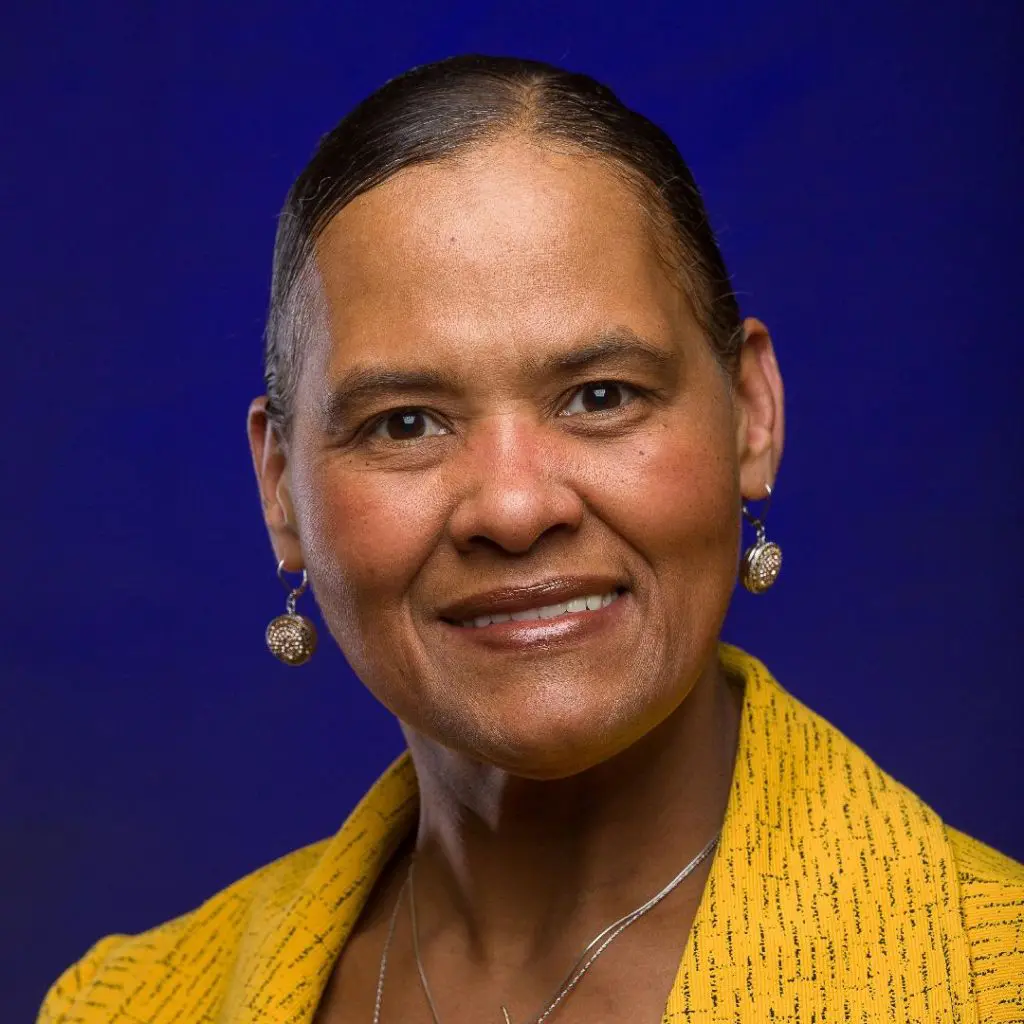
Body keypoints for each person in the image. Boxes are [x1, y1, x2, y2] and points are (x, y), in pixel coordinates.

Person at [39, 55, 1023, 1024]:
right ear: (281, 489)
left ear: (750, 417)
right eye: (405, 422)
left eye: (600, 396)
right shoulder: (126, 1005)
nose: (513, 508)